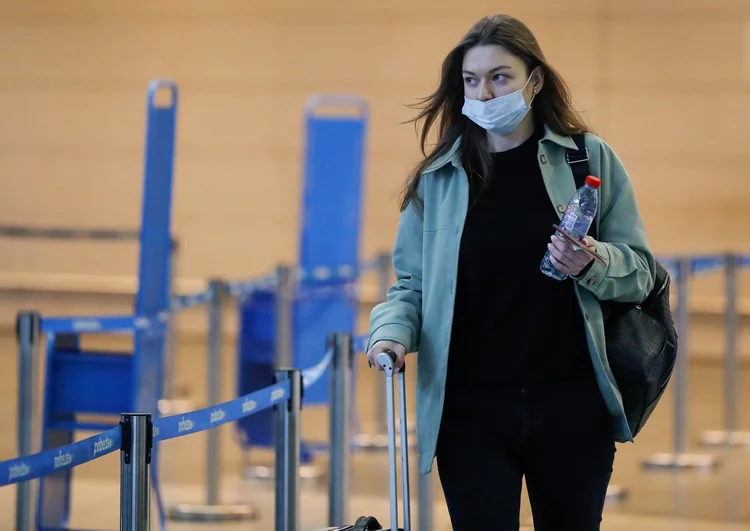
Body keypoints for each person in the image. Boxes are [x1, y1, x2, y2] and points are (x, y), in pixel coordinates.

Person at [364, 13, 655, 531]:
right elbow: (411, 286)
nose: (484, 93)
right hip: (470, 409)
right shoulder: (440, 178)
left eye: (500, 77)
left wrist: (592, 263)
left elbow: (641, 273)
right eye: (471, 81)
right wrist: (389, 335)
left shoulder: (587, 159)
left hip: (570, 405)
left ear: (534, 80)